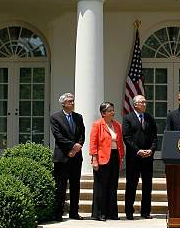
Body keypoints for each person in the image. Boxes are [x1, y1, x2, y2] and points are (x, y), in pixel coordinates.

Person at [50, 93, 85, 221]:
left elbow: (82, 135)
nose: (72, 103)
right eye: (69, 101)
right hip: (62, 157)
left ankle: (74, 212)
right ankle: (58, 213)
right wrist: (71, 147)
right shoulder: (55, 118)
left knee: (75, 185)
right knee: (61, 186)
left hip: (76, 157)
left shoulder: (78, 117)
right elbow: (58, 137)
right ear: (63, 104)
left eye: (73, 101)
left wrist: (77, 148)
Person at [122, 95, 158, 220]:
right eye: (142, 102)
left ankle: (145, 211)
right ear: (135, 104)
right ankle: (129, 211)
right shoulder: (128, 118)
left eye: (145, 102)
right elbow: (126, 138)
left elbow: (154, 137)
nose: (144, 104)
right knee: (131, 184)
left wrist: (151, 150)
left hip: (148, 157)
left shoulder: (149, 118)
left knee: (147, 186)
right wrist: (138, 151)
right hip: (134, 158)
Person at [89, 102, 125, 221]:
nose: (112, 112)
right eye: (110, 111)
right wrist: (94, 159)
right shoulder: (97, 125)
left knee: (112, 186)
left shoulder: (117, 125)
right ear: (103, 113)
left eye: (113, 110)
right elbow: (93, 143)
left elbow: (120, 143)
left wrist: (121, 157)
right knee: (101, 186)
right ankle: (99, 213)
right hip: (102, 158)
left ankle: (112, 213)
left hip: (115, 157)